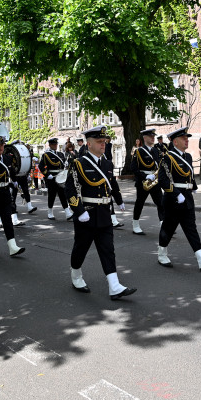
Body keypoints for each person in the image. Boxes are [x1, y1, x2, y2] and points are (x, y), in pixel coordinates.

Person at [64, 125, 136, 300]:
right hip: (86, 215)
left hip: (104, 213)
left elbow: (112, 184)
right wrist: (79, 211)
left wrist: (118, 200)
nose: (103, 144)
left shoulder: (107, 163)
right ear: (89, 144)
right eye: (99, 141)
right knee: (81, 248)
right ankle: (76, 275)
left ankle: (114, 286)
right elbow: (70, 189)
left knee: (108, 250)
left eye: (104, 141)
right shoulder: (79, 163)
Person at [156, 127, 201, 271]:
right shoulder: (167, 157)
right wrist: (176, 194)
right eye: (183, 138)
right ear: (175, 141)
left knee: (191, 229)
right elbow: (163, 180)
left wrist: (194, 186)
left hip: (187, 198)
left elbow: (189, 174)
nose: (187, 140)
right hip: (173, 199)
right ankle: (161, 253)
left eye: (187, 138)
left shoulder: (188, 157)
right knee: (168, 228)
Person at [130, 128, 164, 235]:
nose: (153, 138)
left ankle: (164, 225)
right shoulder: (139, 151)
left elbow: (159, 165)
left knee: (161, 203)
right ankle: (135, 225)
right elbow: (133, 168)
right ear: (145, 138)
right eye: (151, 136)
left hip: (155, 180)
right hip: (143, 182)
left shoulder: (155, 150)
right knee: (140, 203)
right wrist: (145, 176)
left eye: (153, 136)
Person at [39, 137, 73, 220]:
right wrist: (47, 175)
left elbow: (64, 165)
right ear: (50, 145)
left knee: (62, 195)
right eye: (53, 144)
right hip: (52, 178)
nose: (55, 146)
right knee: (52, 195)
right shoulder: (46, 155)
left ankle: (67, 213)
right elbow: (41, 166)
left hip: (60, 177)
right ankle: (50, 212)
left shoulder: (60, 154)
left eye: (56, 144)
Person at [9, 140, 37, 225]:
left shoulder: (24, 153)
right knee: (13, 194)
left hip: (22, 174)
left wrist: (27, 172)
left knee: (25, 190)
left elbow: (27, 162)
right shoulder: (10, 154)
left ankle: (29, 206)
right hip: (15, 175)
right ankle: (13, 209)